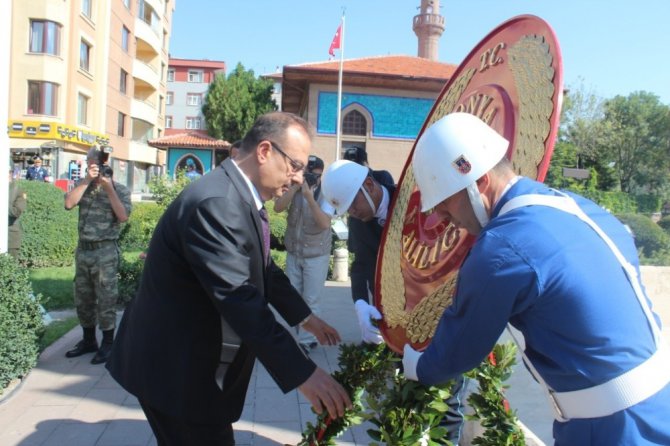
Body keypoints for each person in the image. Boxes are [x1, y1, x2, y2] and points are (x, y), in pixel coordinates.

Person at [403, 112, 670, 445]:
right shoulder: (576, 205)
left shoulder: (500, 249)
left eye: (445, 205)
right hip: (659, 404)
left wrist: (416, 363)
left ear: (479, 183)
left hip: (610, 429)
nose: (445, 219)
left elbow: (457, 352)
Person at [106, 112, 351, 445]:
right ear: (265, 151)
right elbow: (240, 298)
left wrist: (305, 318)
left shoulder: (237, 195)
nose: (297, 178)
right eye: (295, 165)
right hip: (176, 373)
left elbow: (263, 267)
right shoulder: (217, 204)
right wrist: (303, 373)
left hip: (191, 368)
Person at [321, 159, 470, 444]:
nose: (352, 212)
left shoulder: (416, 199)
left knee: (448, 397)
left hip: (440, 311)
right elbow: (362, 264)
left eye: (353, 205)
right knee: (406, 385)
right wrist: (361, 304)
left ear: (369, 185)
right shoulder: (360, 221)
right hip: (400, 318)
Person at [63, 146, 132, 365]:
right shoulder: (83, 187)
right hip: (84, 250)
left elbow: (122, 216)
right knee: (83, 298)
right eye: (89, 162)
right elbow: (68, 203)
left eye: (94, 163)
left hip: (105, 252)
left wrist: (108, 187)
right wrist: (85, 181)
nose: (91, 166)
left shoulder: (119, 189)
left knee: (106, 299)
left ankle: (108, 344)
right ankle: (88, 340)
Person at [274, 155, 332, 352]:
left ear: (321, 174)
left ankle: (306, 341)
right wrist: (295, 188)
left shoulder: (327, 191)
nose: (311, 178)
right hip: (295, 252)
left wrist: (309, 196)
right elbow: (278, 207)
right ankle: (303, 336)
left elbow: (324, 223)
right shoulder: (294, 186)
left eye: (314, 175)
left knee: (311, 299)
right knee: (295, 297)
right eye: (307, 173)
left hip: (316, 254)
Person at [8, 164, 27, 259]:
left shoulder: (17, 190)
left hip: (10, 235)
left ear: (10, 173)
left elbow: (16, 212)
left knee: (10, 267)